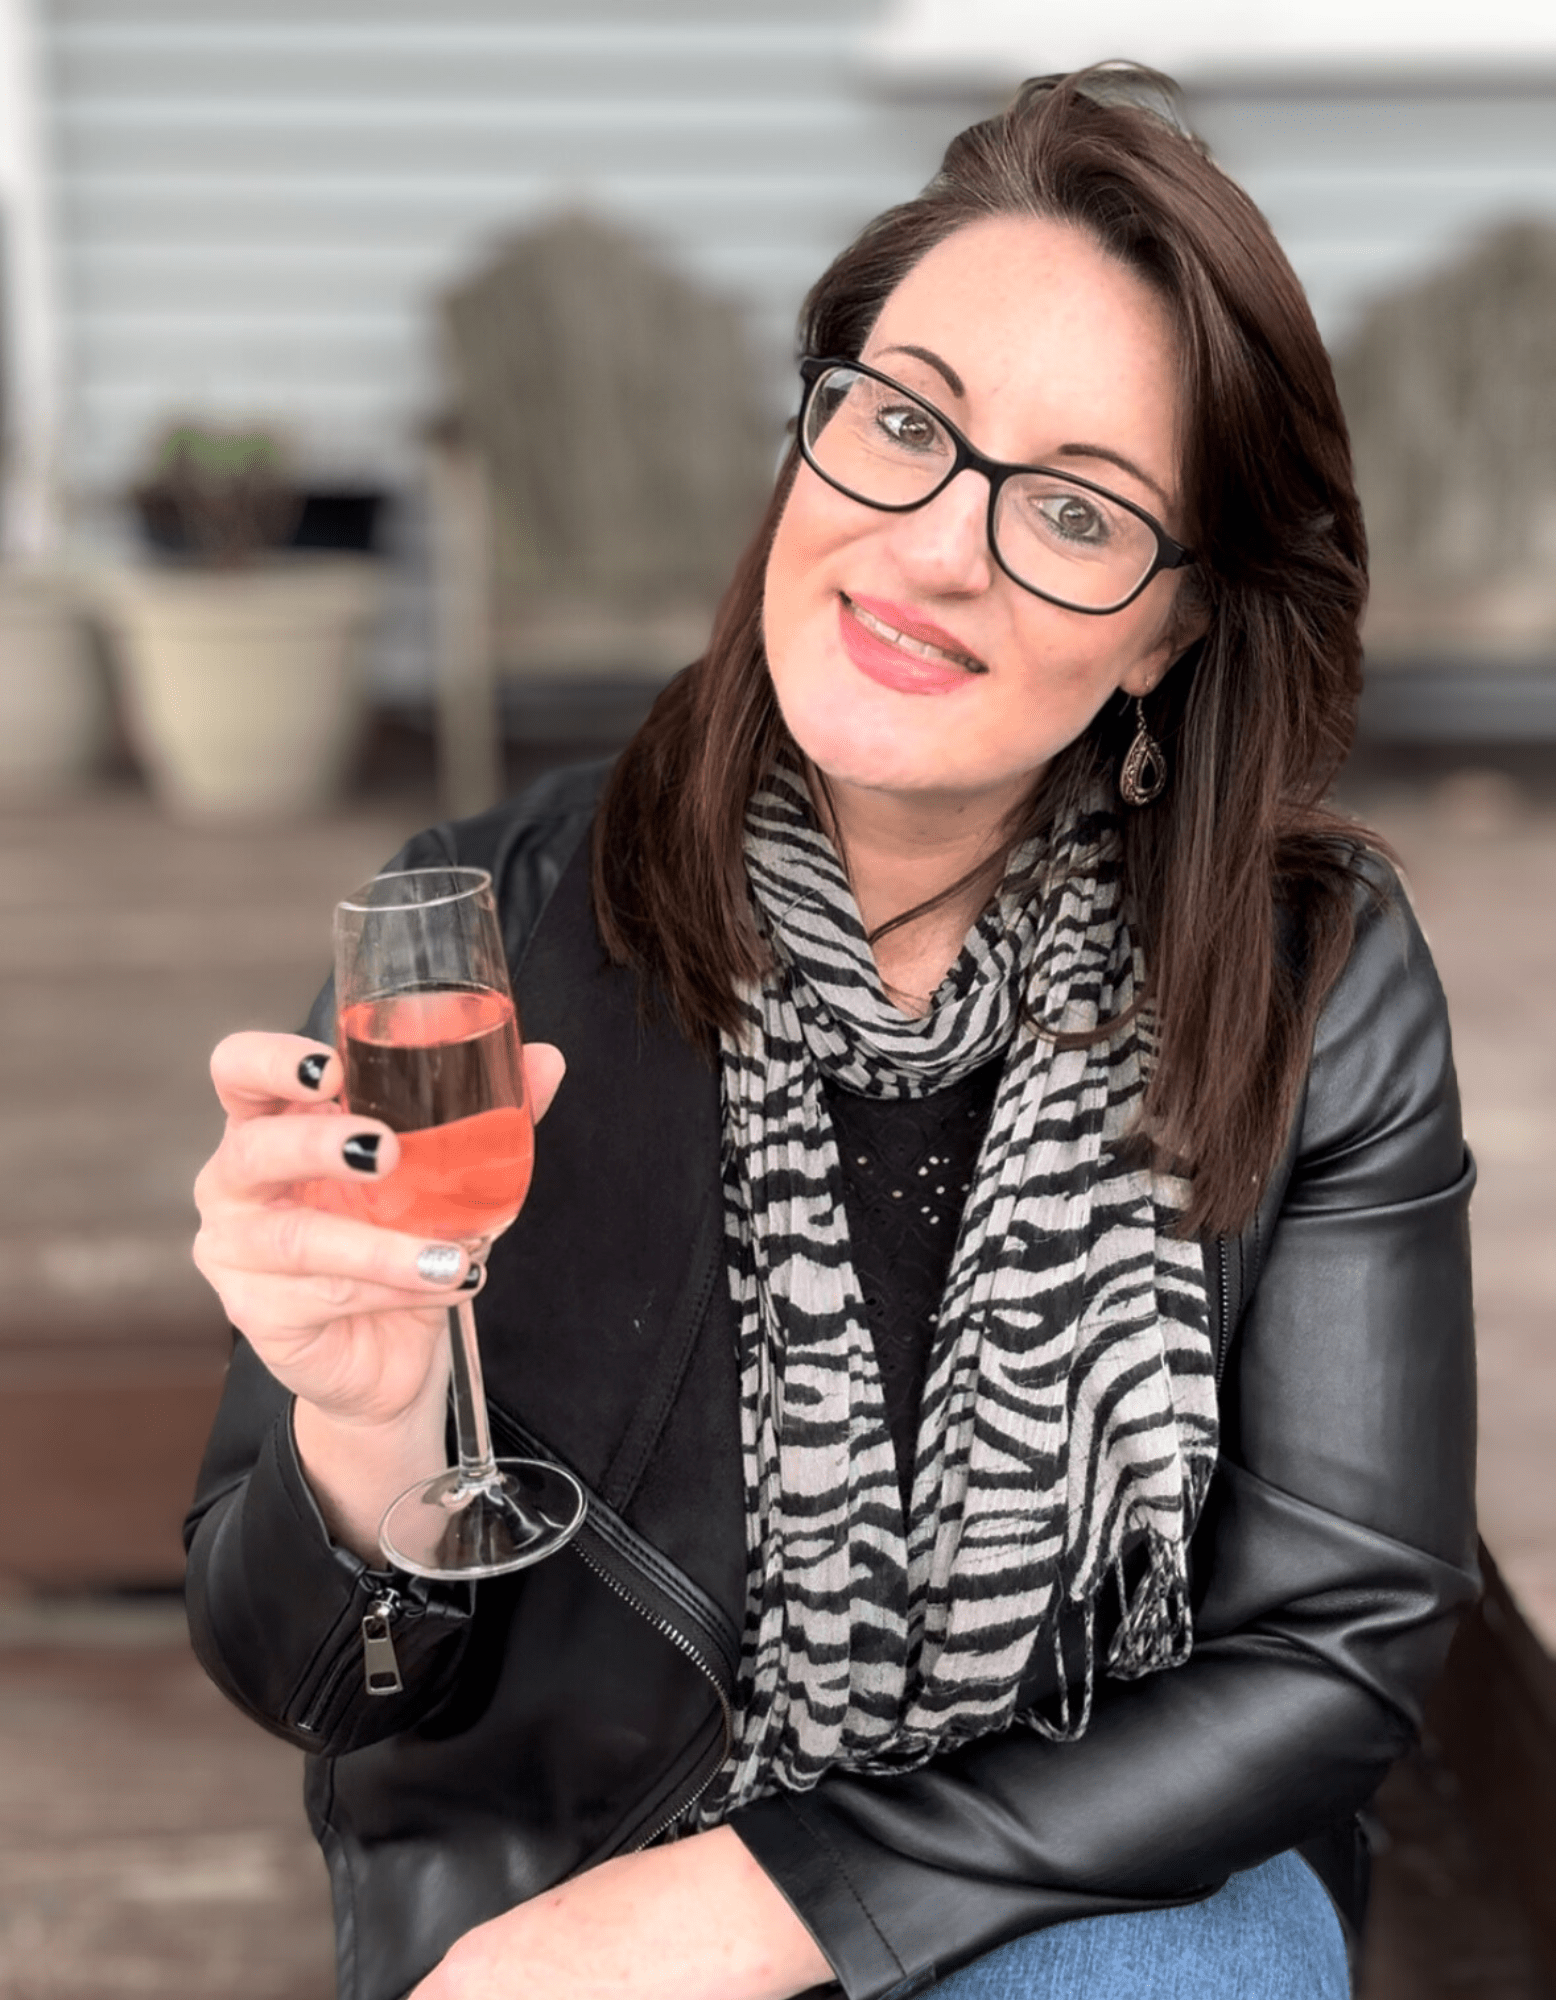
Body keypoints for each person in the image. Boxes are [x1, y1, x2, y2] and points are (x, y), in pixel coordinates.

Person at [185, 66, 1477, 2000]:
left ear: (1172, 629)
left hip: (1101, 1894)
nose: (938, 545)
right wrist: (370, 1438)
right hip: (574, 1898)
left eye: (1072, 508)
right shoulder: (494, 935)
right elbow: (298, 1669)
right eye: (902, 420)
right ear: (814, 433)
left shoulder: (1309, 970)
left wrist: (770, 1901)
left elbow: (1334, 1649)